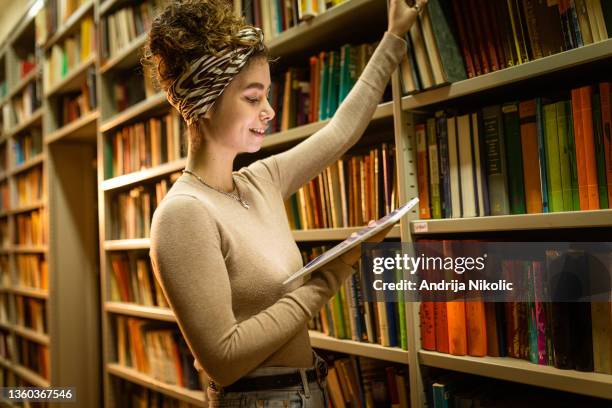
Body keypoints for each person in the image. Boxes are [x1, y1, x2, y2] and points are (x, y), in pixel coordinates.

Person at [146, 0, 426, 406]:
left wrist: (394, 36)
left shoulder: (261, 180)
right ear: (206, 104)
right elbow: (223, 359)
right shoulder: (183, 214)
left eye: (268, 97)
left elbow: (341, 132)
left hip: (309, 387)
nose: (269, 112)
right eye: (253, 98)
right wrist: (329, 278)